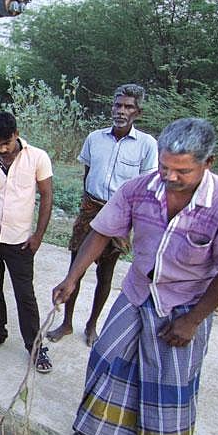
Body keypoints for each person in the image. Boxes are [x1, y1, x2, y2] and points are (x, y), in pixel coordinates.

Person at [52, 117, 218, 435]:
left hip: (186, 301)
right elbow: (100, 233)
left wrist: (192, 320)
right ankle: (98, 431)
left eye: (182, 171)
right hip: (138, 290)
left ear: (209, 163)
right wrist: (72, 278)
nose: (170, 177)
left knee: (167, 377)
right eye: (164, 167)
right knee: (108, 355)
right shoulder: (138, 189)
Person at [47, 84, 158, 345]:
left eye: (128, 106)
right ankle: (66, 324)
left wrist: (131, 220)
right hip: (90, 209)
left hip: (121, 214)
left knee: (105, 274)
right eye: (118, 105)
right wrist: (87, 206)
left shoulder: (147, 145)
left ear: (137, 112)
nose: (121, 111)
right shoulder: (94, 138)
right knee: (76, 268)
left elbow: (145, 187)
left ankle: (92, 325)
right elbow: (88, 175)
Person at [0, 111, 54, 372]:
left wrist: (38, 236)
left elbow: (47, 197)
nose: (2, 149)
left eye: (6, 142)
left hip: (20, 242)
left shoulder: (37, 157)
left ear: (16, 133)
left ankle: (36, 347)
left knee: (25, 295)